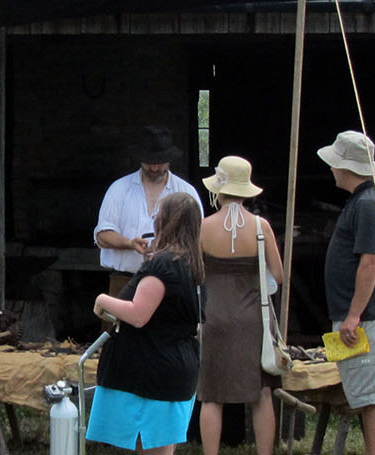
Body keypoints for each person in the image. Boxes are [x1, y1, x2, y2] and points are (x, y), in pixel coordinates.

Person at [88, 192, 203, 455]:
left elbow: (139, 315)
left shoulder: (164, 264)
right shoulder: (193, 264)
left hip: (154, 370)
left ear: (165, 222)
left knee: (151, 450)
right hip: (176, 365)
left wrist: (103, 299)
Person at [317, 131, 375, 455]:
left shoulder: (368, 202)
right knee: (362, 394)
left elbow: (371, 261)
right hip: (355, 315)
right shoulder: (366, 198)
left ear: (345, 167)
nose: (332, 169)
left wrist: (354, 314)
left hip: (364, 318)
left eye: (335, 164)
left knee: (371, 398)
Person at [195, 156, 284, 455]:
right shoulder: (262, 227)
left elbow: (195, 274)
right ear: (246, 190)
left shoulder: (204, 227)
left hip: (215, 317)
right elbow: (279, 275)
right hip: (252, 320)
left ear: (219, 190)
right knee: (261, 393)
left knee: (211, 396)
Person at [94, 126, 204, 294]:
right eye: (149, 163)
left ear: (169, 160)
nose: (154, 168)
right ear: (140, 159)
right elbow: (102, 236)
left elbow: (198, 239)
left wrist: (166, 250)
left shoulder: (186, 192)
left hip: (172, 283)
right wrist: (129, 243)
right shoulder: (119, 189)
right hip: (125, 281)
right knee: (118, 320)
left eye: (159, 163)